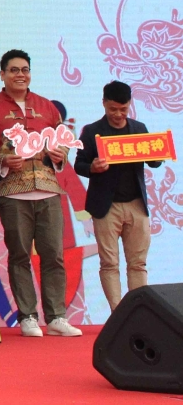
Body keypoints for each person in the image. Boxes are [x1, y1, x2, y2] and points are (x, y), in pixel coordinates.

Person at [0, 49, 81, 338]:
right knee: (19, 255)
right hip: (12, 193)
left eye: (25, 70)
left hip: (48, 189)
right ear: (2, 74)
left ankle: (57, 316)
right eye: (14, 70)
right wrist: (3, 162)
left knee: (54, 255)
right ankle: (28, 316)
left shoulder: (47, 107)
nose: (20, 75)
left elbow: (63, 142)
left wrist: (60, 155)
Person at [76, 81, 162, 311]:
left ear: (130, 104)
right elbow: (79, 164)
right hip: (106, 207)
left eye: (123, 109)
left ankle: (137, 313)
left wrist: (156, 153)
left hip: (136, 205)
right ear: (103, 103)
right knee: (109, 263)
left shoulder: (139, 128)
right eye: (113, 109)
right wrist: (92, 167)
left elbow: (155, 161)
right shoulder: (92, 131)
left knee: (138, 263)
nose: (118, 114)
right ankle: (118, 314)